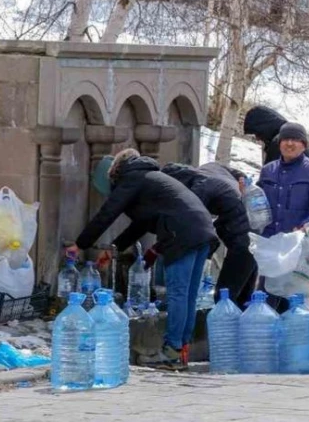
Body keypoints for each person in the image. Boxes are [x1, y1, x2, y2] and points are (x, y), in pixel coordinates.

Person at [65, 149, 217, 367]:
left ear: (114, 176)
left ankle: (172, 351)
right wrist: (113, 249)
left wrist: (80, 243)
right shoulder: (151, 179)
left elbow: (107, 213)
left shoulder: (131, 178)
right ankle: (180, 350)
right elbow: (140, 225)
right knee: (188, 295)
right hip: (202, 230)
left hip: (182, 233)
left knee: (178, 294)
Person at [110, 161, 257, 307]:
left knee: (224, 300)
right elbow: (143, 223)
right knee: (244, 303)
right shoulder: (211, 167)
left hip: (242, 244)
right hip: (255, 239)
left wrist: (156, 249)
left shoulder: (197, 191)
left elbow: (184, 227)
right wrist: (117, 246)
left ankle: (226, 329)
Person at [257, 122, 309, 237]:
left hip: (298, 244)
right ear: (279, 143)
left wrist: (302, 228)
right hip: (268, 241)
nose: (289, 143)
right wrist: (246, 193)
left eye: (295, 139)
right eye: (285, 139)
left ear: (304, 145)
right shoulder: (268, 170)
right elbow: (258, 204)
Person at [243, 105, 309, 165]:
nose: (257, 138)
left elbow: (271, 176)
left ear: (264, 128)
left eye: (258, 133)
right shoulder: (295, 136)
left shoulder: (279, 142)